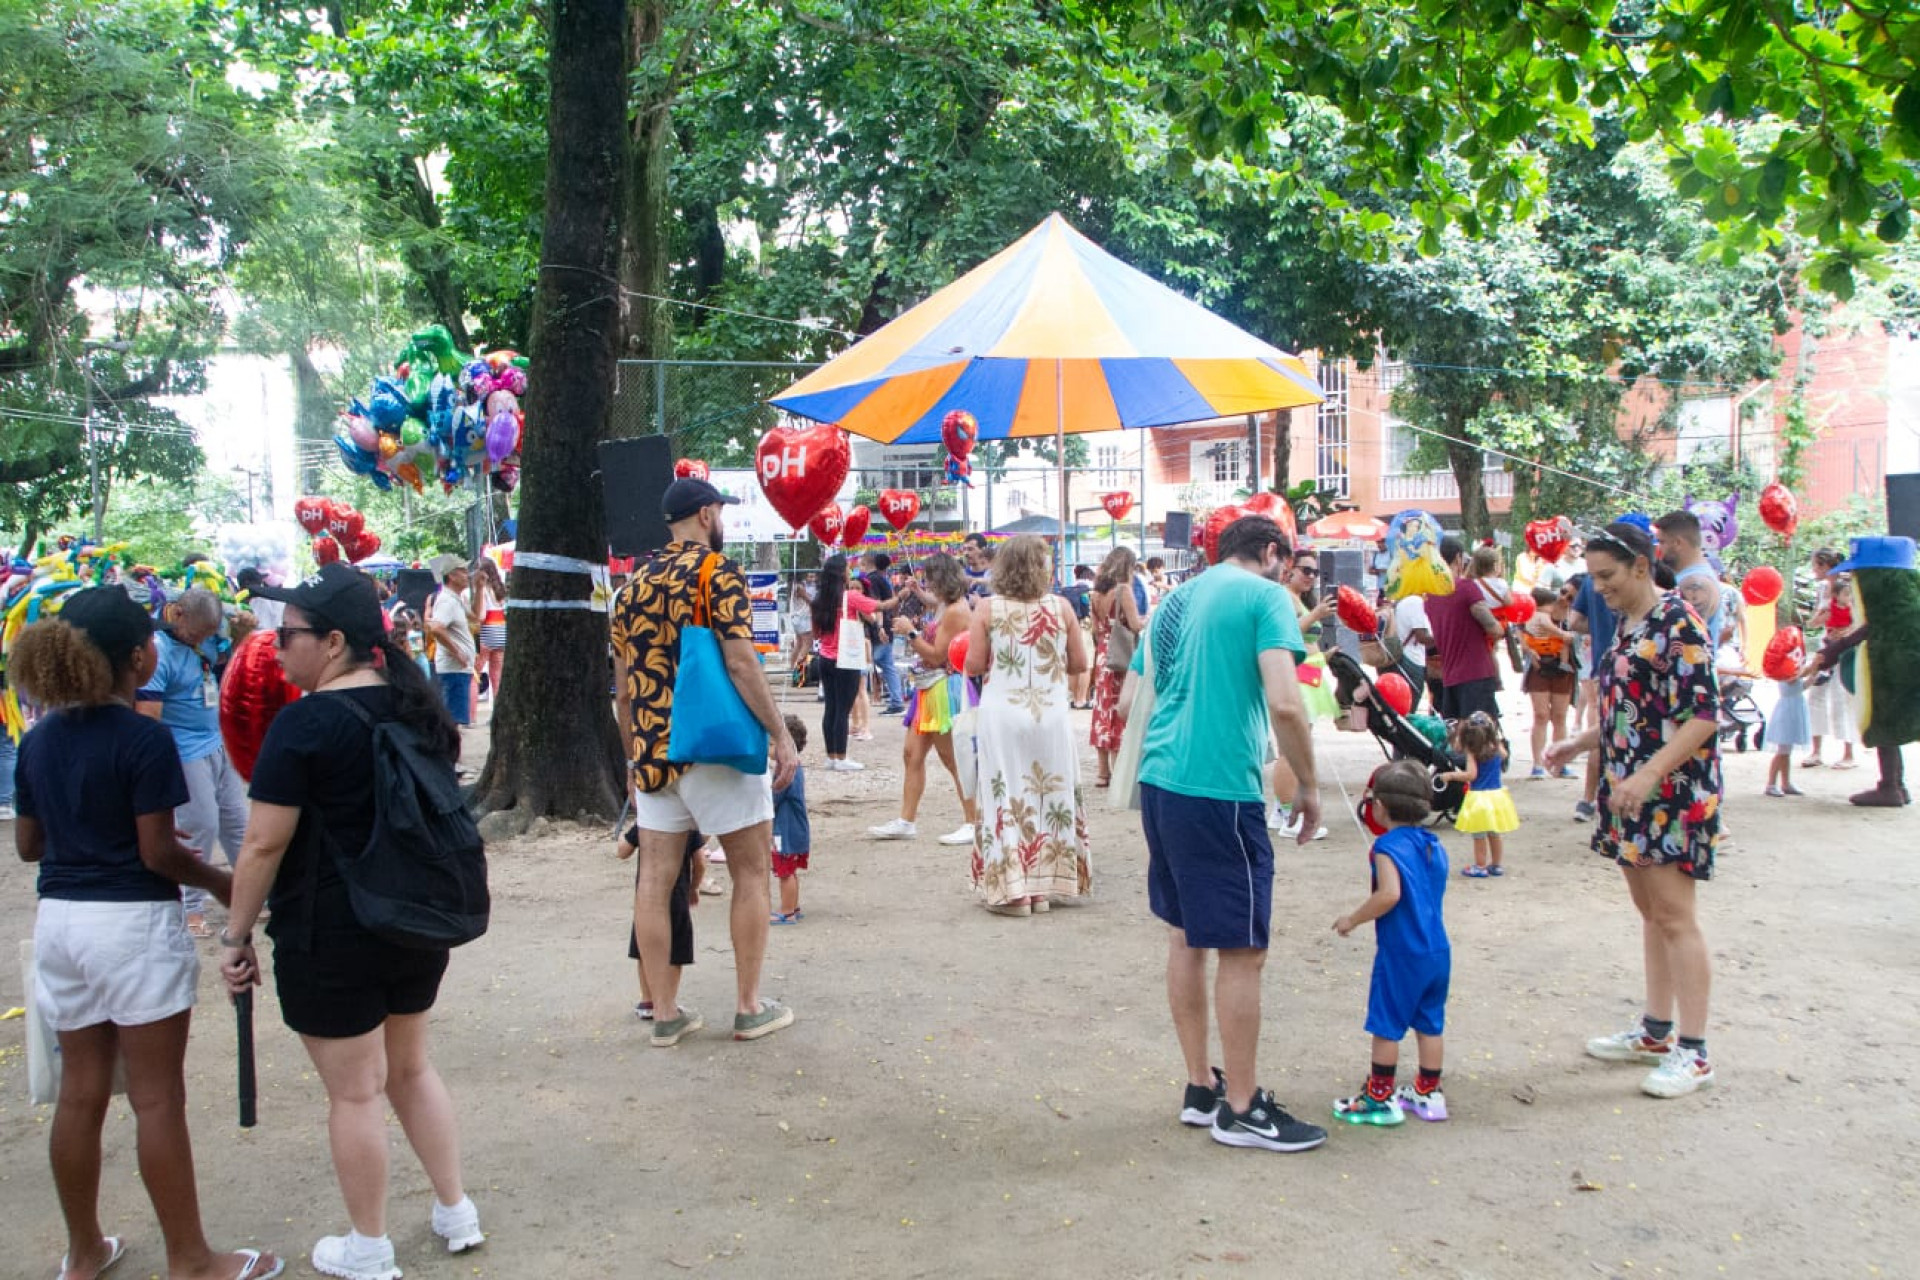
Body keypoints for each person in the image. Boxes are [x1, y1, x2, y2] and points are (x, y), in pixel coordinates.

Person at [218, 564, 481, 1279]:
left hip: (329, 931)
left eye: (289, 634)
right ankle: (455, 1209)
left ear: (332, 642)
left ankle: (369, 1247)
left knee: (356, 1091)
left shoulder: (303, 724)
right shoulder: (416, 706)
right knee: (411, 1068)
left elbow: (263, 843)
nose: (275, 646)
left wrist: (234, 935)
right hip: (415, 922)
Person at [14, 588, 285, 1280]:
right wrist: (228, 887)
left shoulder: (39, 739)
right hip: (130, 922)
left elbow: (27, 845)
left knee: (80, 1091)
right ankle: (191, 1259)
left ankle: (83, 1252)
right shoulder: (144, 740)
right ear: (139, 657)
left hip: (60, 923)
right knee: (157, 1096)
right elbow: (159, 853)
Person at [1122, 514, 1327, 1154]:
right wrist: (1309, 784)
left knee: (1186, 934)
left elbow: (1131, 702)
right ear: (1271, 553)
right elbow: (1287, 703)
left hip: (1161, 780)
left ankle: (1200, 1086)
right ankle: (1241, 1107)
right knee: (1242, 949)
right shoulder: (1266, 598)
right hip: (1218, 786)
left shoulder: (1174, 599)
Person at [608, 476, 801, 1049]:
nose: (723, 521)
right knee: (750, 871)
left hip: (652, 753)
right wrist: (779, 736)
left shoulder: (629, 587)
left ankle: (665, 1013)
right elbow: (740, 662)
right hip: (715, 748)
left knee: (654, 880)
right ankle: (748, 1006)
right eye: (720, 510)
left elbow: (621, 692)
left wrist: (632, 755)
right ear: (703, 514)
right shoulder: (717, 573)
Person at [1545, 520, 1722, 1099]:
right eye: (1593, 577)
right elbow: (1633, 712)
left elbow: (1702, 716)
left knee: (1675, 916)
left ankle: (1693, 1052)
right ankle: (1655, 1030)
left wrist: (1648, 774)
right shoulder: (1628, 625)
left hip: (1669, 793)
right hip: (1628, 790)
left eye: (1607, 576)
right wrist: (1581, 742)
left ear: (1642, 566)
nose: (1598, 588)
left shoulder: (1679, 623)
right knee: (1652, 914)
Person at [964, 535, 1091, 914]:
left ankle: (1013, 890)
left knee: (1004, 792)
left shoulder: (988, 608)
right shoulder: (1062, 607)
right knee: (1048, 792)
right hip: (1049, 712)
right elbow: (1079, 664)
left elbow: (973, 664)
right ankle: (1043, 886)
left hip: (1003, 710)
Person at [1330, 760, 1451, 1127]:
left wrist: (1353, 918)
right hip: (1437, 950)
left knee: (1386, 1023)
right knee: (1430, 1022)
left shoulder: (1386, 848)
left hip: (1402, 952)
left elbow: (1390, 894)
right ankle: (1428, 1093)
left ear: (1379, 806)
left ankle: (1379, 1096)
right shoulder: (1434, 845)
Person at [135, 587, 247, 940]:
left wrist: (239, 625)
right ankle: (190, 906)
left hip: (217, 743)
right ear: (177, 613)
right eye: (196, 632)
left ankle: (250, 893)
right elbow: (148, 716)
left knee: (237, 822)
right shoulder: (160, 650)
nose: (201, 639)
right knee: (201, 825)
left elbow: (238, 651)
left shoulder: (210, 640)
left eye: (208, 634)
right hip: (183, 752)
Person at [867, 553, 980, 846]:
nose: (927, 582)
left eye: (930, 578)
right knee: (912, 754)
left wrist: (911, 632)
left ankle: (973, 821)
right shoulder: (949, 603)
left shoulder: (956, 611)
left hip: (943, 689)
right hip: (930, 688)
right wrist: (919, 593)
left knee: (952, 758)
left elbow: (936, 655)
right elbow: (934, 604)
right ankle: (906, 820)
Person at [617, 826, 701, 1021]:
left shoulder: (644, 823)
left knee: (644, 949)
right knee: (676, 952)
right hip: (677, 895)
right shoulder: (688, 826)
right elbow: (700, 862)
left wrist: (623, 835)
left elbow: (622, 851)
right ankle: (667, 1001)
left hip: (647, 899)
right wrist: (694, 887)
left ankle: (648, 1000)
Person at [1424, 536, 1505, 723]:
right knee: (1481, 737)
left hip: (1449, 675)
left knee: (1457, 735)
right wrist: (1501, 626)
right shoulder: (1466, 589)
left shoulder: (1429, 594)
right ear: (1458, 559)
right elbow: (1493, 629)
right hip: (1476, 672)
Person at [811, 554, 880, 771]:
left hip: (825, 657)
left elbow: (815, 634)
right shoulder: (850, 597)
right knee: (843, 709)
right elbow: (877, 611)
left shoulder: (819, 601)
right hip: (846, 658)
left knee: (830, 708)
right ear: (842, 573)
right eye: (848, 568)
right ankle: (841, 757)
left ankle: (831, 755)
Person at [1088, 548, 1144, 787]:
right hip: (1121, 658)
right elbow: (1135, 625)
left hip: (1103, 656)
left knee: (1102, 711)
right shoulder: (1123, 591)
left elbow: (1093, 629)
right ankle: (1119, 769)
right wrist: (1147, 619)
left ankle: (1103, 772)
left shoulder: (1095, 594)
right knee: (1121, 710)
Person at [1439, 712, 1516, 877]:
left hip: (1480, 797)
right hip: (1496, 795)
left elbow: (1471, 775)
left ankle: (1480, 866)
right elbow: (1505, 755)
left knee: (1479, 835)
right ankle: (1496, 864)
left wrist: (1451, 775)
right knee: (1495, 833)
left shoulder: (1472, 752)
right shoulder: (1496, 748)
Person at [1803, 553, 1858, 770]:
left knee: (1841, 698)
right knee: (1816, 696)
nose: (1814, 570)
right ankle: (1816, 750)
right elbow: (1814, 621)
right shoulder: (1822, 590)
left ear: (1826, 566)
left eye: (1816, 566)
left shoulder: (1850, 588)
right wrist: (1822, 618)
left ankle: (1848, 752)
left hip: (1844, 648)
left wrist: (1846, 632)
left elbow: (1859, 620)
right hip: (1825, 645)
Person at [1520, 585, 1578, 777]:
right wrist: (1528, 651)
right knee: (1541, 715)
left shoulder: (1573, 613)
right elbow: (1522, 638)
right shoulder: (1535, 615)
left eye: (1569, 595)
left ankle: (1559, 763)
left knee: (1560, 716)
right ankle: (1538, 764)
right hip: (1539, 667)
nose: (1563, 598)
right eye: (1562, 592)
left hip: (1562, 670)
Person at [1654, 509, 1726, 648]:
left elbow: (1690, 641)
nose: (1659, 549)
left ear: (1678, 543)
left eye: (1662, 542)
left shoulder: (1697, 583)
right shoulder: (1687, 577)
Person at [425, 558, 477, 727]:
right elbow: (437, 628)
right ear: (452, 575)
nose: (467, 575)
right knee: (452, 722)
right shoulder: (447, 601)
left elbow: (477, 617)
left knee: (455, 721)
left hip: (458, 669)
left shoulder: (456, 599)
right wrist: (457, 652)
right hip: (454, 669)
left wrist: (481, 588)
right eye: (463, 571)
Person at [771, 715, 812, 925]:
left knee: (785, 872)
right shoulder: (792, 767)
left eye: (771, 743)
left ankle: (787, 911)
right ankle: (793, 906)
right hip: (794, 830)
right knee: (789, 871)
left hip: (786, 831)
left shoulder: (787, 771)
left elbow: (775, 799)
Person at [861, 552, 906, 715]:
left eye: (861, 565)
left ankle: (896, 701)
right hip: (885, 625)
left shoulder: (872, 580)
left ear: (867, 564)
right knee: (885, 663)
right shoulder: (883, 580)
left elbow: (877, 606)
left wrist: (879, 626)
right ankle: (895, 699)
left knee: (884, 662)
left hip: (880, 627)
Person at [1765, 661, 1811, 797]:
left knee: (1787, 751)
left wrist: (1813, 674)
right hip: (1787, 711)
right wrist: (1812, 666)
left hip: (1795, 706)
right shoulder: (1784, 669)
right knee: (1782, 750)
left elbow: (1800, 686)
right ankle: (1771, 783)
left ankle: (1786, 782)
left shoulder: (1795, 667)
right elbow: (1792, 680)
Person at [1391, 588, 1435, 713]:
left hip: (1402, 659)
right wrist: (1446, 638)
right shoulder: (1415, 602)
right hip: (1411, 661)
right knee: (1408, 709)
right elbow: (1422, 636)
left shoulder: (1403, 601)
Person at [471, 557, 507, 703]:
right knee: (497, 675)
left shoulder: (483, 590)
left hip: (486, 632)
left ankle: (471, 715)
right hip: (500, 632)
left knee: (474, 673)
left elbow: (481, 615)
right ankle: (497, 710)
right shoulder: (500, 589)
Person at [788, 573, 816, 681]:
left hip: (796, 617)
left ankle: (792, 667)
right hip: (803, 618)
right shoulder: (800, 587)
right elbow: (809, 601)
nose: (812, 579)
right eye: (809, 576)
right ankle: (798, 672)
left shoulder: (794, 587)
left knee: (799, 643)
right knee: (807, 644)